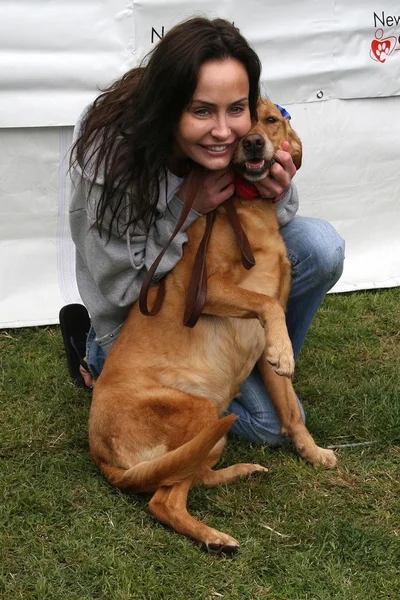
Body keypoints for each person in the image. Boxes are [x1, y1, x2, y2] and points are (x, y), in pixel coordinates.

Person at [61, 16, 345, 446]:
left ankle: (261, 356)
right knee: (269, 427)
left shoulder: (241, 129)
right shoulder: (111, 163)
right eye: (201, 111)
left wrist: (275, 189)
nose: (224, 131)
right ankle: (95, 353)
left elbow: (265, 238)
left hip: (207, 297)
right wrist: (185, 209)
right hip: (142, 322)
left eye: (236, 109)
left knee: (318, 247)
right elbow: (124, 289)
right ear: (169, 106)